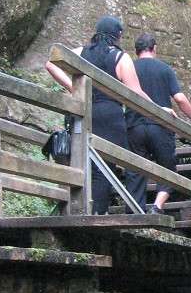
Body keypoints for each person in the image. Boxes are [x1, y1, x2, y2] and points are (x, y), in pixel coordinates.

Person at [45, 16, 151, 214]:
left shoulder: (82, 52)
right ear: (118, 36)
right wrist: (157, 108)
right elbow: (136, 93)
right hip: (109, 117)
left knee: (81, 165)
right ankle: (96, 215)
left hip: (82, 112)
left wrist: (74, 89)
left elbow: (51, 63)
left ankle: (75, 211)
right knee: (102, 170)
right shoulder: (120, 57)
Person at [125, 32, 191, 212]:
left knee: (134, 170)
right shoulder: (165, 69)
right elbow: (179, 98)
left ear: (135, 51)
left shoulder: (128, 68)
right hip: (160, 127)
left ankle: (133, 210)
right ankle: (156, 206)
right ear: (155, 49)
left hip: (134, 126)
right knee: (168, 169)